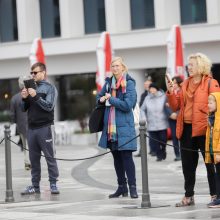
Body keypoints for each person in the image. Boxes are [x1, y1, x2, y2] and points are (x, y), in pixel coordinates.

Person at [166, 53, 220, 207]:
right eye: (188, 65)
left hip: (205, 129)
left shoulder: (211, 83)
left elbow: (218, 105)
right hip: (186, 129)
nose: (189, 67)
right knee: (187, 166)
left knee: (210, 164)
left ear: (201, 66)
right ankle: (188, 196)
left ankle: (215, 195)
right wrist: (170, 92)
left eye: (192, 65)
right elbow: (176, 106)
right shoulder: (184, 84)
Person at [97, 56, 138, 199]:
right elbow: (99, 98)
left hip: (124, 126)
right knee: (116, 158)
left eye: (117, 66)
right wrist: (101, 99)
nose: (115, 68)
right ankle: (122, 187)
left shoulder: (130, 83)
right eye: (112, 66)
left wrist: (111, 99)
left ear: (123, 67)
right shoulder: (108, 83)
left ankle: (133, 188)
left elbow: (128, 105)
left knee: (127, 157)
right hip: (110, 126)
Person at [20, 62, 60, 195]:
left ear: (43, 73)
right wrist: (24, 98)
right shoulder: (30, 87)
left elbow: (49, 106)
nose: (33, 75)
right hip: (31, 129)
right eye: (31, 73)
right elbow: (23, 109)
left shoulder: (50, 88)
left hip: (45, 127)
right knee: (33, 159)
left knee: (50, 157)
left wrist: (35, 96)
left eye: (35, 73)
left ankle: (53, 184)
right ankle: (35, 186)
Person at [140, 83, 169, 161]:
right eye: (150, 88)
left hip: (162, 123)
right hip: (151, 124)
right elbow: (142, 109)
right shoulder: (147, 98)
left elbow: (168, 107)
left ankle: (163, 150)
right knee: (154, 142)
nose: (152, 90)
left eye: (153, 88)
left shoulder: (163, 97)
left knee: (163, 140)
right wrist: (144, 118)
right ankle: (159, 155)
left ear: (157, 89)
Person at [10, 76, 31, 170]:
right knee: (32, 144)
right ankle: (31, 161)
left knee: (25, 144)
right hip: (33, 124)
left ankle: (27, 162)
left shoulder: (14, 98)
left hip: (21, 125)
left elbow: (12, 114)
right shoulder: (32, 95)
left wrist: (14, 122)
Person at [205, 93, 220, 208]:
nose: (208, 105)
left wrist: (219, 152)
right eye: (208, 102)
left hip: (218, 153)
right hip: (213, 153)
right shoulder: (211, 117)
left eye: (211, 102)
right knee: (217, 175)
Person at [165, 76, 183, 161]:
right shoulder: (168, 92)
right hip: (171, 119)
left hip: (181, 118)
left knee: (182, 137)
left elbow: (183, 106)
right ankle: (177, 154)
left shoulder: (182, 92)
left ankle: (183, 154)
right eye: (172, 82)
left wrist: (177, 114)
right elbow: (165, 105)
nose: (173, 84)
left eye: (175, 82)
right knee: (174, 137)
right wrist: (171, 114)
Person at [135, 77, 152, 157]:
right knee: (141, 134)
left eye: (147, 84)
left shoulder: (155, 93)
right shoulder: (143, 94)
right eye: (145, 85)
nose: (146, 86)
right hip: (144, 118)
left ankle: (152, 150)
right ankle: (141, 151)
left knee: (152, 135)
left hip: (153, 118)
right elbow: (141, 105)